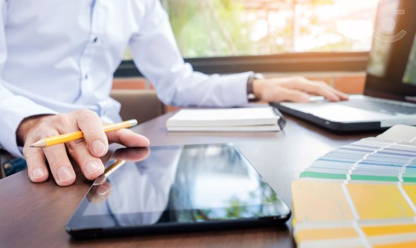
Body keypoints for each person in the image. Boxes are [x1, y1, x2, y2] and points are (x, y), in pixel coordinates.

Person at [0, 0, 348, 186]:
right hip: (24, 154)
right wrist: (31, 122)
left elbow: (176, 82)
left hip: (115, 150)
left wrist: (254, 86)